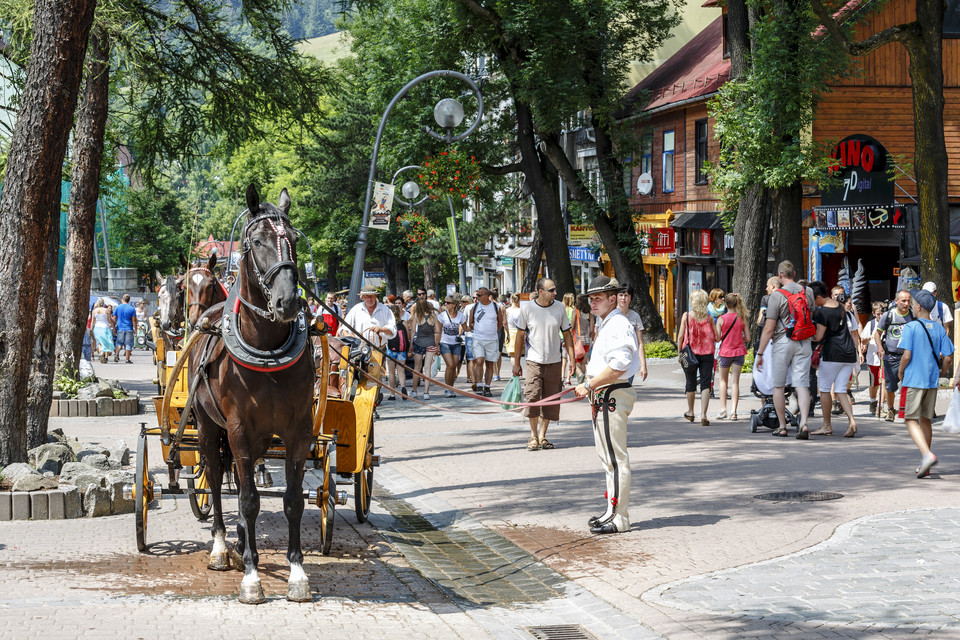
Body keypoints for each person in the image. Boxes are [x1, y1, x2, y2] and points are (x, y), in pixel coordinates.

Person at [574, 275, 639, 535]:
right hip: (606, 393)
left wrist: (590, 384)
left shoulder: (617, 324)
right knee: (609, 458)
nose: (593, 303)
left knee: (615, 458)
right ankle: (612, 511)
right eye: (591, 299)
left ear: (613, 299)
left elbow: (621, 364)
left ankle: (619, 516)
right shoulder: (608, 323)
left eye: (598, 298)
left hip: (611, 393)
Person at [513, 278, 575, 450]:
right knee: (533, 397)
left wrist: (571, 359)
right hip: (534, 360)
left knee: (551, 400)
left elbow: (567, 334)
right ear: (541, 291)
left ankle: (543, 436)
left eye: (555, 289)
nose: (555, 293)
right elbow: (519, 337)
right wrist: (516, 363)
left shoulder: (559, 307)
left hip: (554, 361)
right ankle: (533, 436)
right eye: (551, 290)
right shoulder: (528, 309)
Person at [756, 260, 815, 438]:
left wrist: (760, 353)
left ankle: (782, 426)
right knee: (802, 385)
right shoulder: (808, 291)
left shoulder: (776, 295)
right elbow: (810, 315)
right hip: (804, 341)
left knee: (778, 386)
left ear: (780, 276)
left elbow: (768, 328)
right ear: (794, 274)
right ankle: (804, 423)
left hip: (782, 342)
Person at [899, 289, 954, 477]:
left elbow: (906, 355)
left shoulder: (911, 328)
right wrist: (943, 372)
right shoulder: (939, 328)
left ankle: (926, 454)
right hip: (931, 380)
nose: (911, 307)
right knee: (925, 420)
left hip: (914, 379)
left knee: (909, 419)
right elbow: (948, 357)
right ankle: (926, 466)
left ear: (919, 306)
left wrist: (900, 371)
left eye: (913, 304)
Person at [809, 281, 860, 437]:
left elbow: (818, 336)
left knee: (824, 389)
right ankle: (851, 420)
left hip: (832, 354)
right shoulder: (840, 306)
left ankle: (826, 425)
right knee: (840, 390)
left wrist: (806, 335)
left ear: (818, 297)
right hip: (849, 353)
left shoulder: (821, 312)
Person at [678, 289, 719, 425]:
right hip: (707, 354)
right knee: (706, 384)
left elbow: (680, 337)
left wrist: (680, 353)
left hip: (690, 354)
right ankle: (704, 415)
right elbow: (717, 338)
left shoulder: (686, 316)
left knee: (690, 383)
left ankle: (690, 412)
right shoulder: (709, 319)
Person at [874, 290, 914, 422]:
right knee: (890, 386)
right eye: (903, 300)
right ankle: (891, 409)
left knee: (910, 385)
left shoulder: (913, 315)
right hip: (891, 357)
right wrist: (880, 348)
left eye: (908, 300)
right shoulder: (888, 315)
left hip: (909, 357)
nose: (906, 303)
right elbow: (877, 334)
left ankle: (908, 410)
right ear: (896, 301)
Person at [715, 292, 750, 420]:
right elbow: (748, 337)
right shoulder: (742, 318)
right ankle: (734, 411)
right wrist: (739, 337)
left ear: (726, 304)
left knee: (723, 380)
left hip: (725, 352)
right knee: (735, 382)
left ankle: (723, 410)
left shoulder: (721, 319)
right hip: (739, 352)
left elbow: (718, 339)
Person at [468, 288, 504, 397]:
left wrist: (493, 331)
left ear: (486, 295)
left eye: (479, 295)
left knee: (490, 364)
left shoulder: (495, 307)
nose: (477, 297)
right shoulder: (474, 307)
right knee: (479, 361)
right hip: (478, 339)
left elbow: (500, 322)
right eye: (476, 295)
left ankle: (487, 387)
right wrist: (479, 329)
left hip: (492, 339)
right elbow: (470, 323)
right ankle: (479, 384)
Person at [406, 299, 441, 399]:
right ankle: (426, 392)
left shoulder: (417, 315)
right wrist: (436, 343)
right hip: (430, 343)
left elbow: (413, 330)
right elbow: (438, 331)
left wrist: (411, 344)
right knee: (427, 368)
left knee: (417, 368)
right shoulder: (434, 315)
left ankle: (414, 390)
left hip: (419, 343)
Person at [616, 285, 649, 383]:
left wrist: (643, 366)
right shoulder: (610, 314)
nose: (623, 298)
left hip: (629, 362)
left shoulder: (635, 316)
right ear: (616, 297)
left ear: (630, 297)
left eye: (626, 295)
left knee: (626, 392)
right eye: (621, 295)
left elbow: (640, 343)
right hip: (613, 361)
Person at [438, 295, 467, 396]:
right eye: (445, 302)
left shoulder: (460, 315)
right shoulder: (442, 316)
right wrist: (437, 345)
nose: (445, 304)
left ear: (454, 304)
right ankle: (447, 388)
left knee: (454, 366)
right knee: (450, 365)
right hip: (444, 342)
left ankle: (451, 387)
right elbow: (438, 331)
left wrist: (473, 325)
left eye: (448, 303)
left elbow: (466, 328)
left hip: (456, 343)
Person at [861, 301, 885, 416]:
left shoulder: (887, 323)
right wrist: (871, 337)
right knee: (874, 383)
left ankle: (881, 406)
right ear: (874, 313)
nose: (880, 316)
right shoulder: (870, 325)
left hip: (884, 358)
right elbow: (863, 340)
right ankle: (872, 401)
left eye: (882, 313)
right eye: (878, 314)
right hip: (872, 359)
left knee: (883, 382)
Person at [384, 305, 409, 400]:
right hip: (402, 350)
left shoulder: (388, 325)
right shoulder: (404, 323)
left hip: (391, 350)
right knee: (401, 372)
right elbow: (407, 336)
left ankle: (392, 394)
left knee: (391, 372)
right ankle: (403, 388)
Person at [755, 277, 781, 351]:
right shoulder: (787, 298)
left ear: (772, 286)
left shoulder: (766, 299)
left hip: (769, 340)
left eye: (767, 286)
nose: (766, 289)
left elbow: (760, 321)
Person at [573, 294, 594, 382]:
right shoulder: (590, 313)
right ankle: (581, 382)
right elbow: (592, 330)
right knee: (584, 362)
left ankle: (580, 375)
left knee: (576, 362)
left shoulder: (576, 311)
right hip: (586, 341)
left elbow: (572, 325)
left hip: (577, 340)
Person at [91, 298, 116, 363]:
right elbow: (110, 320)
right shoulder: (107, 310)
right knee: (107, 342)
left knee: (99, 342)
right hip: (105, 328)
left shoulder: (94, 311)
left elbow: (93, 321)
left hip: (97, 327)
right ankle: (106, 357)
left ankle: (100, 354)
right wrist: (113, 328)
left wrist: (91, 329)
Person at [561, 293, 577, 385]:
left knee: (563, 359)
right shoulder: (572, 310)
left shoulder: (562, 310)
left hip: (560, 336)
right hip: (569, 336)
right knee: (569, 358)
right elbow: (572, 325)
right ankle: (568, 378)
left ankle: (562, 376)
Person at [504, 293, 522, 361]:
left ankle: (514, 369)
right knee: (518, 354)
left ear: (511, 300)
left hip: (509, 332)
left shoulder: (507, 311)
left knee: (512, 355)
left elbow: (505, 323)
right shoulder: (520, 311)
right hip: (518, 332)